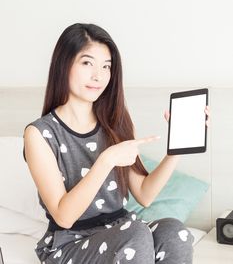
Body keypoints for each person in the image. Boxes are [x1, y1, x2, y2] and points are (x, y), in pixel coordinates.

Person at [24, 23, 209, 264]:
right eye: (87, 63)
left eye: (106, 66)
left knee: (175, 232)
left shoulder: (115, 123)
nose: (98, 76)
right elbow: (64, 217)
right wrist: (107, 159)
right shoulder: (39, 134)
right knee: (135, 234)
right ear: (64, 64)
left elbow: (145, 194)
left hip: (124, 231)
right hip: (70, 242)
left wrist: (178, 146)